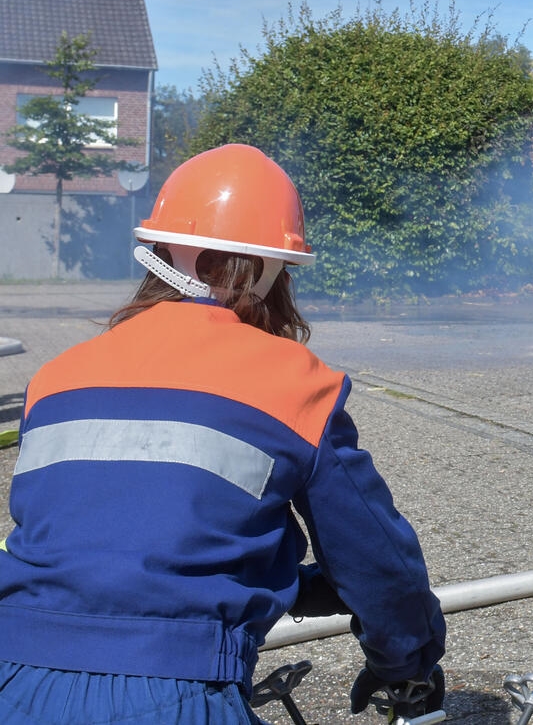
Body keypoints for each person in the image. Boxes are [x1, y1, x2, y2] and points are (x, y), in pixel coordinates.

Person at [0, 144, 447, 723]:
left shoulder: (56, 378)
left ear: (157, 252)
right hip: (172, 692)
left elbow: (92, 543)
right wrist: (406, 664)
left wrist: (287, 580)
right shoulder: (292, 381)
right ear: (266, 268)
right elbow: (378, 563)